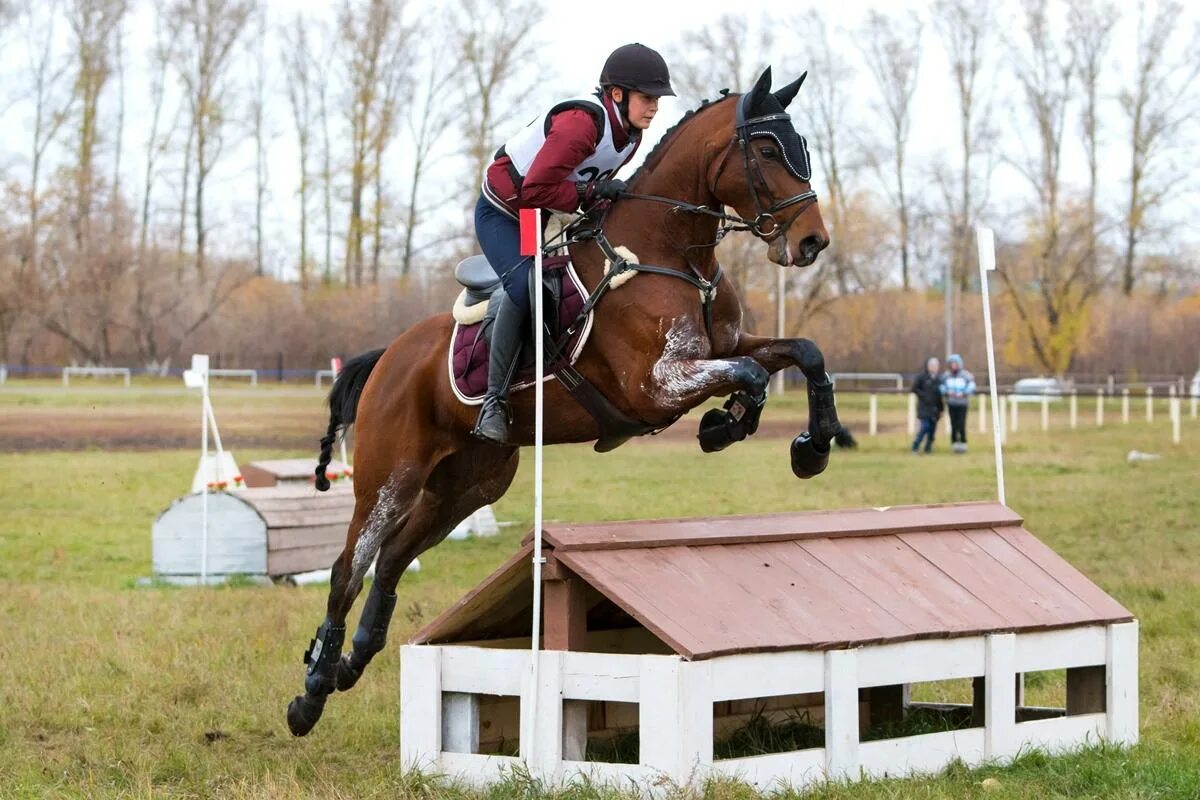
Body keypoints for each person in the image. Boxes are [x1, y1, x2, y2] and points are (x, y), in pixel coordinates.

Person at [471, 43, 676, 444]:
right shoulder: (583, 123)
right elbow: (535, 188)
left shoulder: (630, 138)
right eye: (648, 97)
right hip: (504, 212)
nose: (654, 107)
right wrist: (593, 191)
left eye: (657, 99)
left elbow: (581, 192)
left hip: (544, 213)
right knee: (527, 287)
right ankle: (492, 403)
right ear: (617, 94)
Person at [940, 353, 976, 453]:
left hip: (962, 404)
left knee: (961, 423)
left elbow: (972, 386)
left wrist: (964, 393)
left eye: (955, 363)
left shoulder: (965, 375)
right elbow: (941, 387)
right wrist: (947, 392)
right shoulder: (946, 376)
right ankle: (954, 443)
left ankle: (963, 443)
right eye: (952, 364)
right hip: (951, 404)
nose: (953, 366)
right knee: (953, 424)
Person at [911, 356, 943, 454]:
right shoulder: (922, 377)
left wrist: (941, 409)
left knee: (932, 430)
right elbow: (914, 388)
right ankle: (915, 446)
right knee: (925, 427)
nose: (934, 367)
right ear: (928, 366)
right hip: (924, 408)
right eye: (932, 365)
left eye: (936, 365)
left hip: (935, 409)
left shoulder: (938, 379)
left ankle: (928, 448)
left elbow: (939, 396)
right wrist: (924, 396)